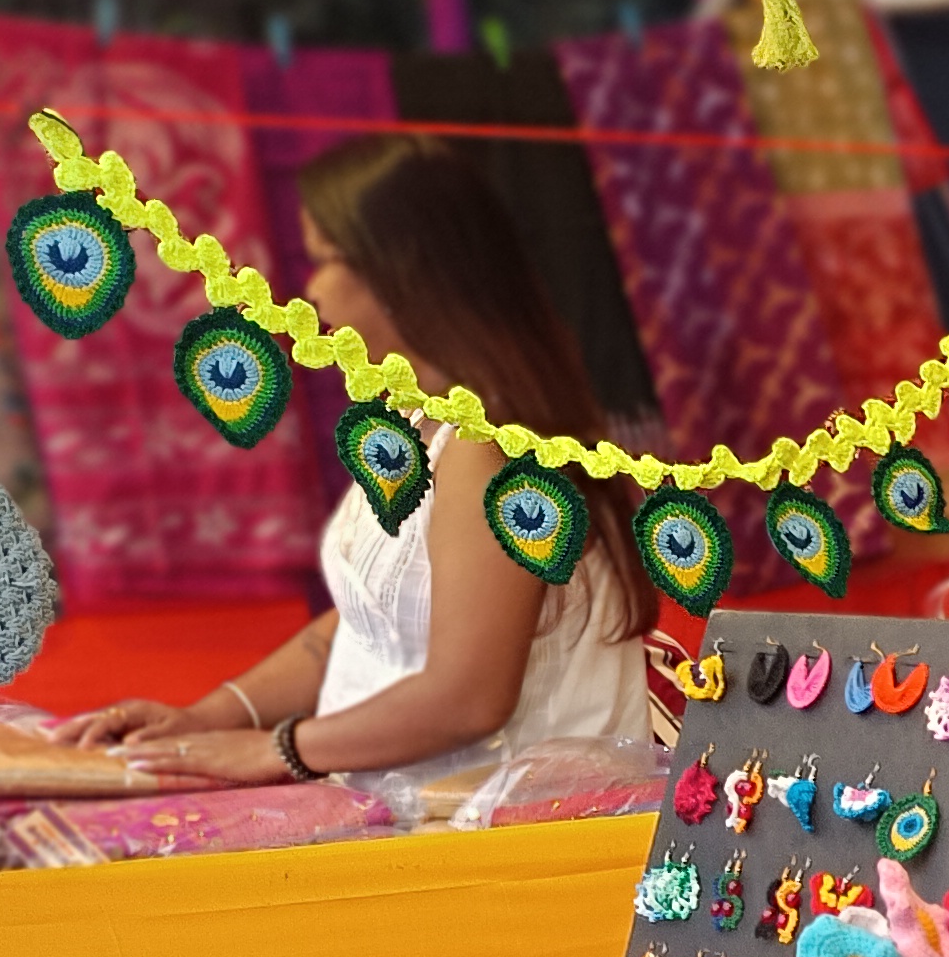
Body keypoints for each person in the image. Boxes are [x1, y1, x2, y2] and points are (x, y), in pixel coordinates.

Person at [72, 136, 649, 789]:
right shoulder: (418, 418)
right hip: (402, 801)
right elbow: (371, 621)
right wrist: (210, 717)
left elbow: (469, 696)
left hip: (495, 824)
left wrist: (277, 749)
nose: (311, 287)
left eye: (326, 260)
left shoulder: (492, 450)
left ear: (399, 274)